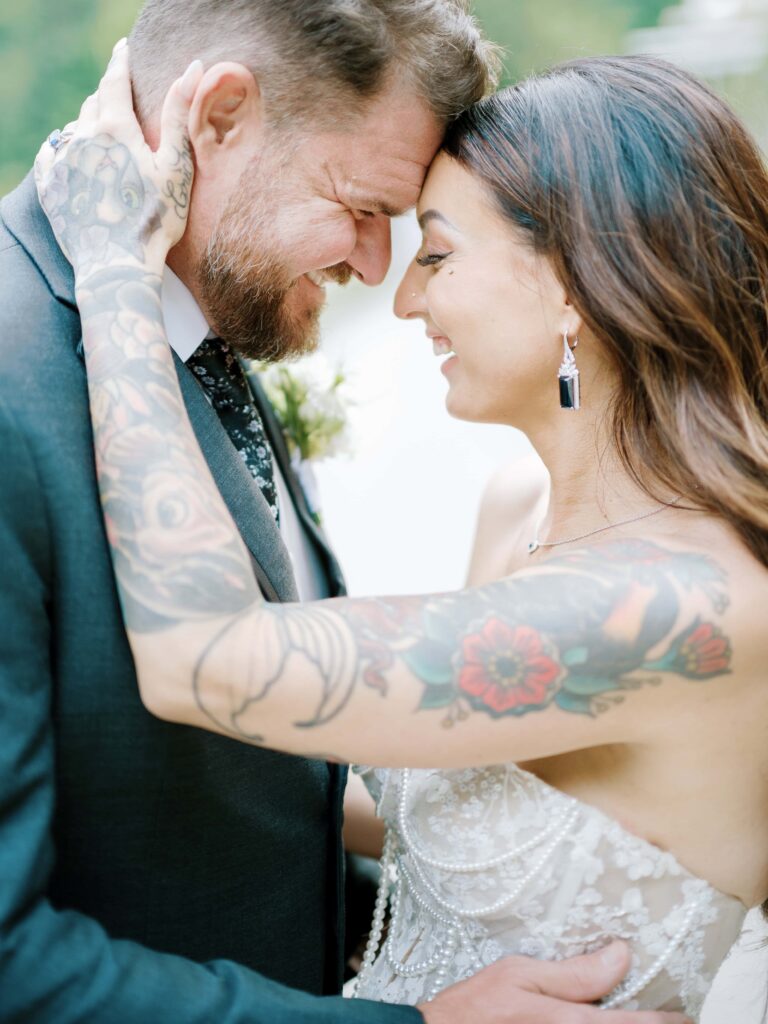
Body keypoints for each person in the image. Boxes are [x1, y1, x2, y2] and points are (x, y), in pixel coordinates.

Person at [39, 37, 768, 1018]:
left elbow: (203, 654)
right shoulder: (519, 507)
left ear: (574, 285)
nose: (406, 296)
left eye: (437, 253)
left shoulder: (681, 609)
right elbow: (457, 812)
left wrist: (112, 266)